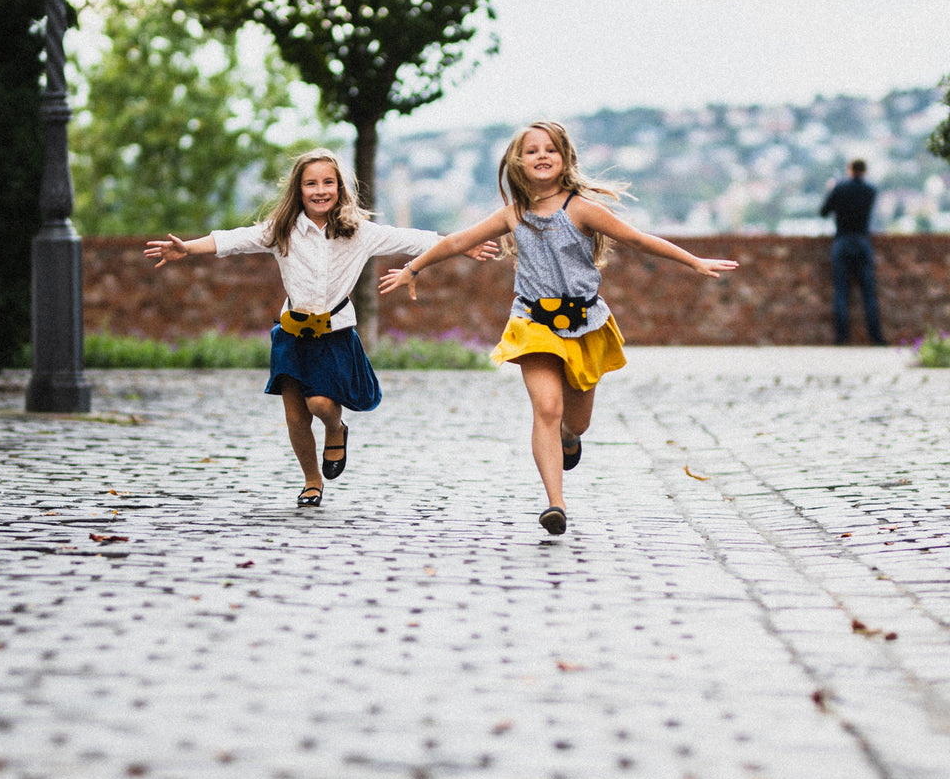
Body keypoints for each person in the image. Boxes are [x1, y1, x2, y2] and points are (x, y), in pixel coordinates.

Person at [379, 121, 738, 536]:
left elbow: (638, 240)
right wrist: (412, 268)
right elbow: (457, 241)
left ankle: (570, 437)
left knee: (576, 420)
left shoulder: (581, 209)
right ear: (518, 162)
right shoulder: (513, 215)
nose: (542, 156)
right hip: (532, 321)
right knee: (546, 408)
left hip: (586, 323)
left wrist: (693, 261)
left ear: (565, 158)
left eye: (550, 149)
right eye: (531, 151)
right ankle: (556, 503)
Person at [145, 147, 495, 509]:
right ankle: (312, 482)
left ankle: (335, 428)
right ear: (298, 191)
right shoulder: (279, 230)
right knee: (296, 415)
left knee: (322, 404)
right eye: (311, 183)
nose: (320, 190)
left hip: (334, 333)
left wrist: (463, 245)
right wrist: (187, 248)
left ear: (340, 188)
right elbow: (232, 240)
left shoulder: (360, 232)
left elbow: (414, 238)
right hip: (292, 333)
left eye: (328, 182)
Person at [819, 159, 887, 345]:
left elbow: (824, 212)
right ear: (864, 171)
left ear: (849, 170)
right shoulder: (870, 190)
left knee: (841, 291)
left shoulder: (839, 188)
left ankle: (842, 337)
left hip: (842, 240)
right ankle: (876, 336)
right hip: (862, 240)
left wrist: (832, 189)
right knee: (869, 293)